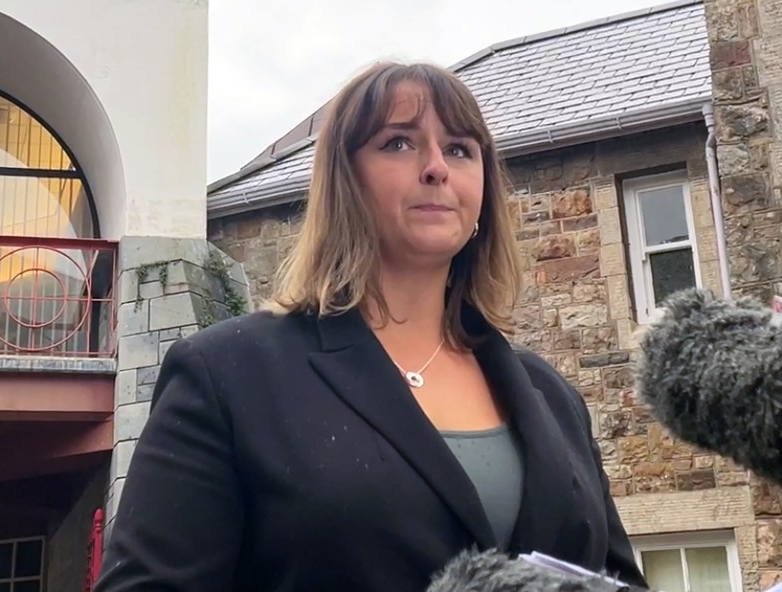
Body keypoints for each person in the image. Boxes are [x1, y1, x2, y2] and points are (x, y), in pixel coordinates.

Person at [94, 61, 648, 592]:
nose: (436, 166)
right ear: (346, 182)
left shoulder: (552, 397)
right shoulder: (228, 375)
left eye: (459, 149)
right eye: (399, 143)